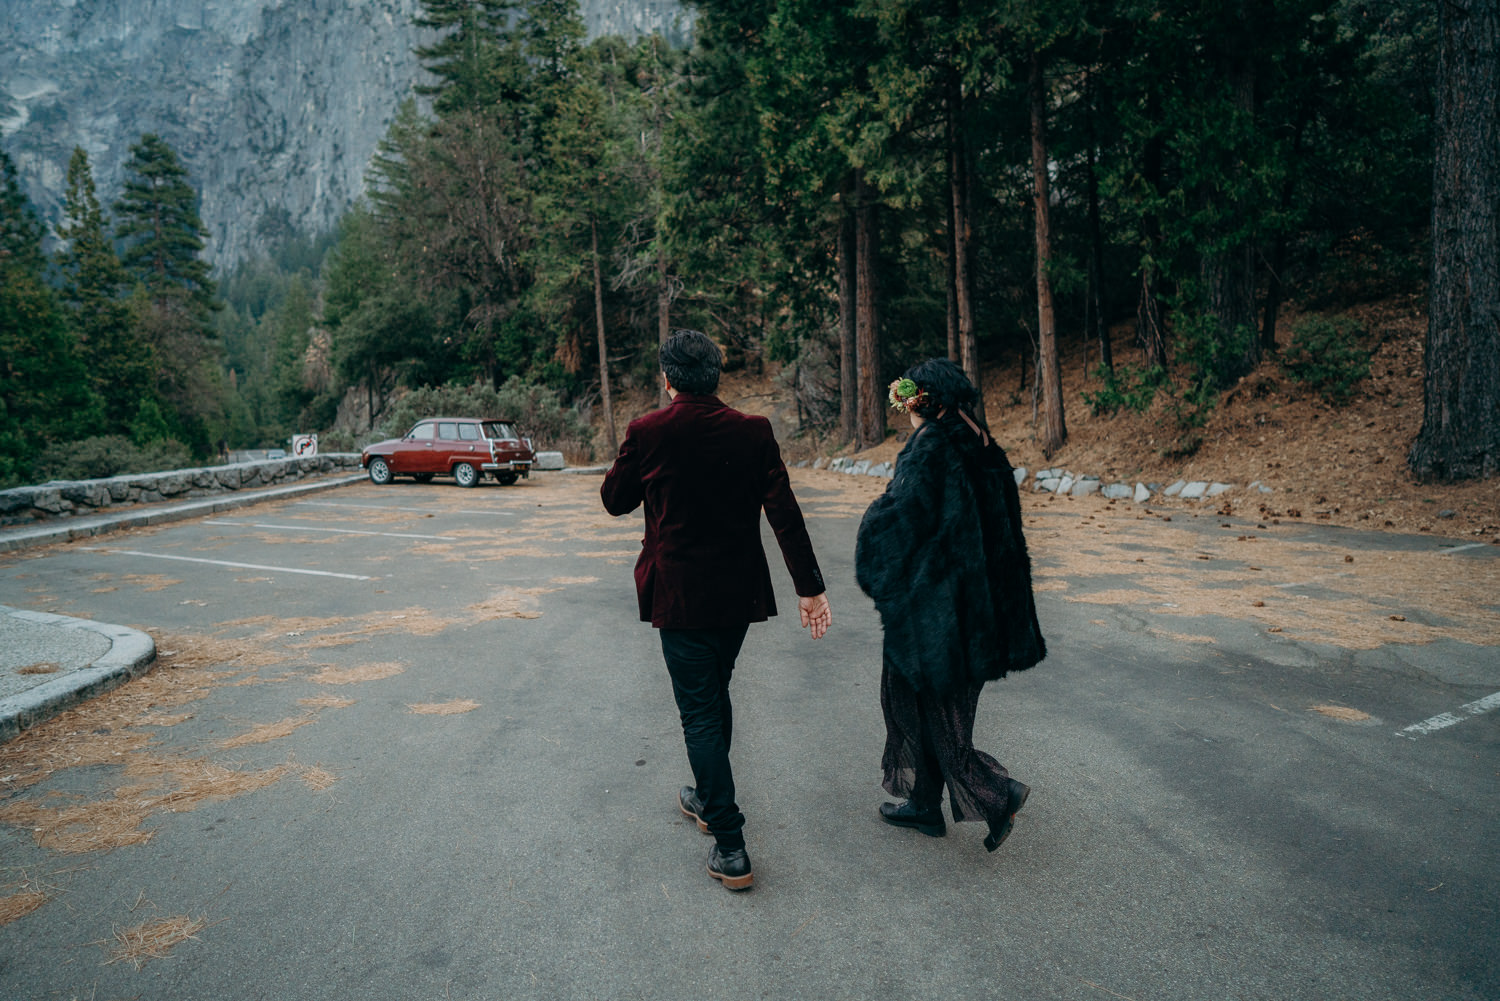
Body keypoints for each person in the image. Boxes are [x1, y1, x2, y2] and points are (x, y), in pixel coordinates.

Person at [601, 328, 833, 891]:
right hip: (736, 599)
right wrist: (811, 588)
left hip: (678, 597)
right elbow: (785, 512)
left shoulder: (648, 431)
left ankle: (730, 843)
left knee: (700, 713)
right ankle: (707, 797)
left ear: (667, 378)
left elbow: (614, 500)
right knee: (714, 694)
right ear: (716, 376)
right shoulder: (752, 431)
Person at [855, 358, 1046, 852]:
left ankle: (995, 793)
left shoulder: (931, 447)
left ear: (920, 401)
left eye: (907, 399)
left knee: (920, 704)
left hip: (937, 612)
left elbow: (902, 522)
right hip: (983, 612)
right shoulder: (982, 442)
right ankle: (923, 805)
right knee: (944, 704)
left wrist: (873, 522)